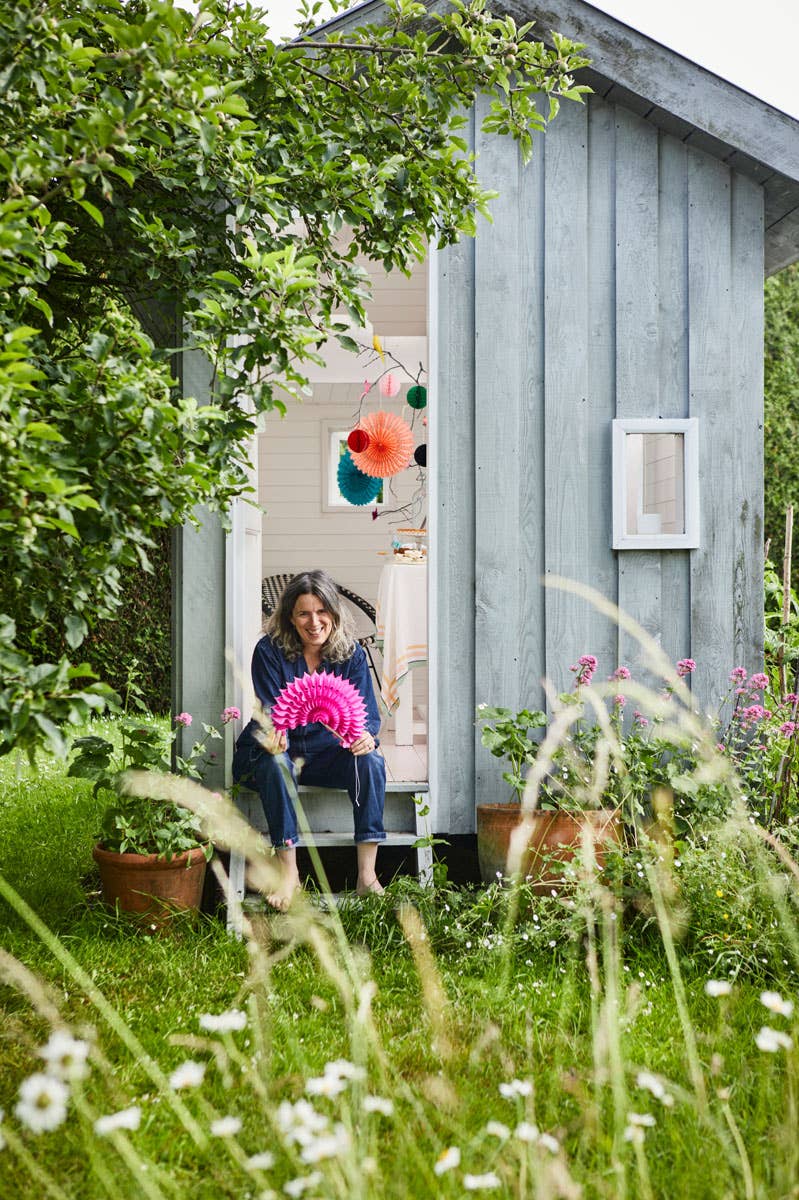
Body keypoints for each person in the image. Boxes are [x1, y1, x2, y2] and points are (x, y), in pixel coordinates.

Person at [233, 569, 386, 909]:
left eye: (321, 612)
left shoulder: (351, 654)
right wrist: (276, 735)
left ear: (333, 613)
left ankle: (367, 875)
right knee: (275, 761)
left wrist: (365, 737)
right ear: (290, 616)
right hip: (276, 753)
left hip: (328, 755)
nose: (314, 621)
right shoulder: (269, 651)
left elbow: (368, 717)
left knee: (371, 760)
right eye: (304, 612)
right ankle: (289, 876)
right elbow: (272, 712)